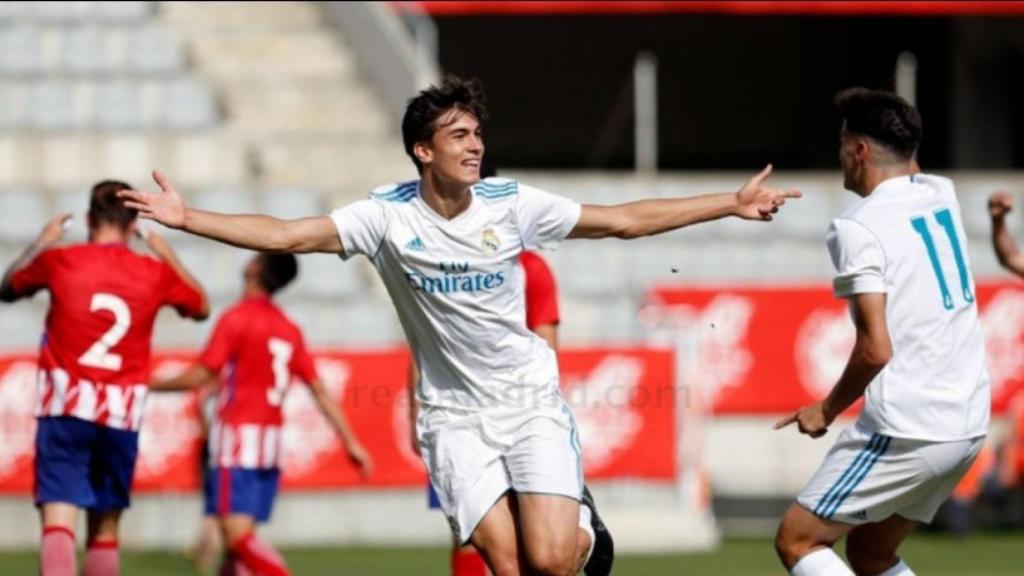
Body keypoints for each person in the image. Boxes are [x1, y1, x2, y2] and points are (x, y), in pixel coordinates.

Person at [119, 75, 799, 576]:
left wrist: (729, 204)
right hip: (453, 416)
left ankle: (587, 534)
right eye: (459, 136)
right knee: (506, 566)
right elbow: (289, 234)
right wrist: (190, 219)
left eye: (477, 134)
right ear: (422, 151)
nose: (475, 147)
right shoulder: (385, 217)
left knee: (553, 561)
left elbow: (622, 220)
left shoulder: (511, 204)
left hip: (528, 400)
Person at [774, 88, 989, 576]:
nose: (840, 155)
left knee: (797, 541)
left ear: (859, 150)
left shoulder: (857, 227)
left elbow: (875, 350)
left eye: (842, 142)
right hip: (968, 422)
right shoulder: (941, 193)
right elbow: (909, 168)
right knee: (871, 554)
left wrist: (824, 410)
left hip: (909, 427)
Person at [0, 180, 209, 576]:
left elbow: (7, 289)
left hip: (65, 405)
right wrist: (168, 255)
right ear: (134, 224)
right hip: (120, 413)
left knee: (59, 518)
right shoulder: (153, 272)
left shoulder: (61, 260)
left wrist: (41, 242)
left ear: (88, 219)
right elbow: (201, 307)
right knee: (106, 527)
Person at [149, 252, 373, 576]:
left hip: (238, 439)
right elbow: (319, 389)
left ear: (255, 268)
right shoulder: (288, 327)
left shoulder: (237, 317)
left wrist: (148, 383)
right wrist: (351, 441)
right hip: (270, 444)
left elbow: (202, 374)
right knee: (234, 549)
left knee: (237, 537)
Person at [409, 249, 561, 576]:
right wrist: (417, 414)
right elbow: (424, 343)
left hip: (515, 418)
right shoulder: (445, 265)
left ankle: (584, 529)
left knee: (528, 536)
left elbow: (546, 345)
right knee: (468, 532)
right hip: (454, 418)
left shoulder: (529, 268)